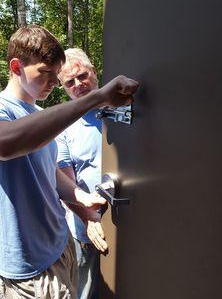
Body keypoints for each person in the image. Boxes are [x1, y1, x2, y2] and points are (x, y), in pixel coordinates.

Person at [0, 25, 139, 299]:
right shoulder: (4, 109)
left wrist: (80, 197)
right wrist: (97, 98)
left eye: (56, 73)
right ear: (17, 67)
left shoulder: (39, 112)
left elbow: (48, 172)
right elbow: (5, 145)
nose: (53, 82)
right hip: (28, 265)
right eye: (46, 73)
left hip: (59, 247)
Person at [57, 48, 102, 299]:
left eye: (82, 76)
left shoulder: (121, 110)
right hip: (86, 229)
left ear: (93, 72)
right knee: (86, 290)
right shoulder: (63, 126)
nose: (78, 85)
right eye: (70, 82)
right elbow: (65, 182)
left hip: (133, 221)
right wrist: (89, 218)